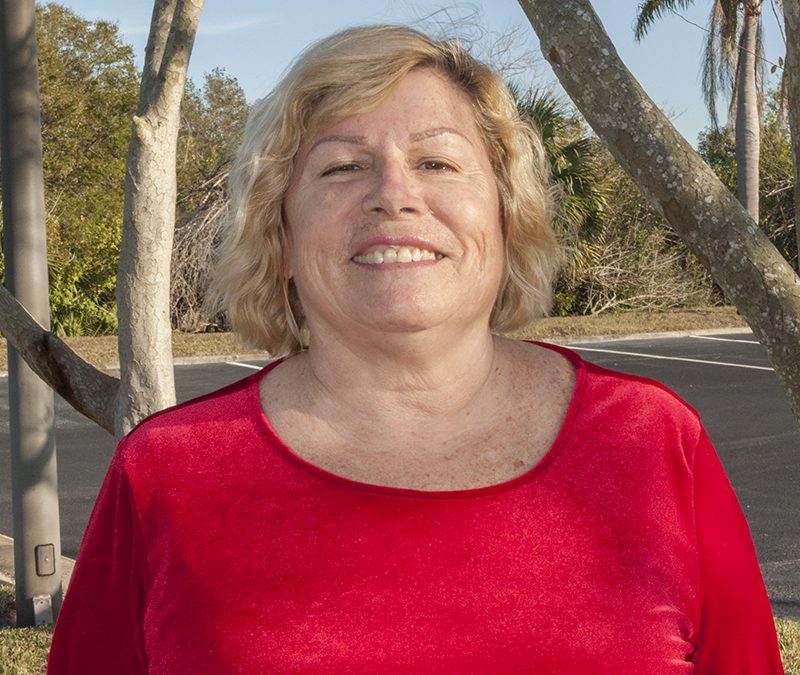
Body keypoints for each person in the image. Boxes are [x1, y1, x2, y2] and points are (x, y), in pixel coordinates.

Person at [48, 24, 783, 674]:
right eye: (342, 166)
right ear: (280, 234)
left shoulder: (652, 441)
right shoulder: (166, 472)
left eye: (437, 163)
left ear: (507, 216)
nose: (393, 195)